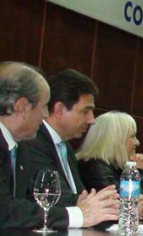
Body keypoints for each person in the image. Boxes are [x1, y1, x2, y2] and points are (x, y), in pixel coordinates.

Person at [0, 61, 118, 229]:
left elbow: (26, 203)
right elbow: (5, 211)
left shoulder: (19, 147)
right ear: (22, 107)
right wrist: (79, 214)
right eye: (43, 107)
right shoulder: (28, 145)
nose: (46, 115)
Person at [22, 69, 98, 207]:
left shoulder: (65, 147)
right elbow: (51, 197)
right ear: (59, 110)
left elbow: (80, 194)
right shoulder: (33, 141)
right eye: (85, 111)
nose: (92, 120)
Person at [76, 111, 143, 221]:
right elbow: (129, 207)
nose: (137, 142)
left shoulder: (118, 167)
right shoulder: (95, 167)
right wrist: (141, 173)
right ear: (115, 138)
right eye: (132, 136)